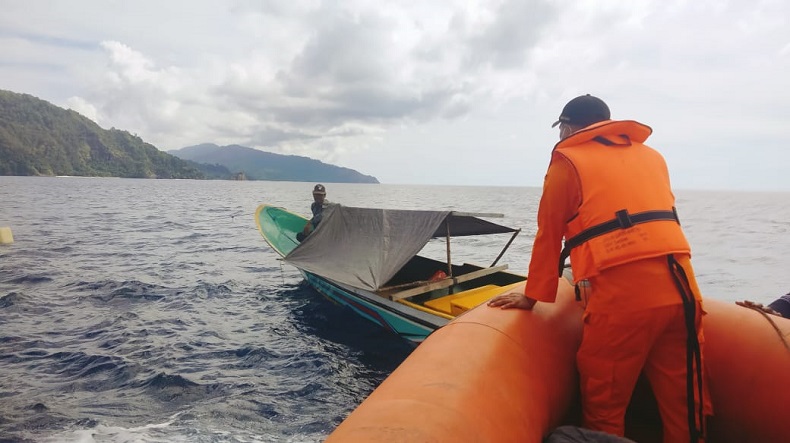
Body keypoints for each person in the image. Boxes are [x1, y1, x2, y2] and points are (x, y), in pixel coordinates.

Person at [488, 95, 711, 443]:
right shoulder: (653, 157)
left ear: (570, 126)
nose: (560, 134)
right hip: (683, 290)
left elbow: (549, 234)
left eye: (561, 126)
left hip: (624, 299)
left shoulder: (568, 161)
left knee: (605, 402)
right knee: (686, 403)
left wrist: (533, 297)